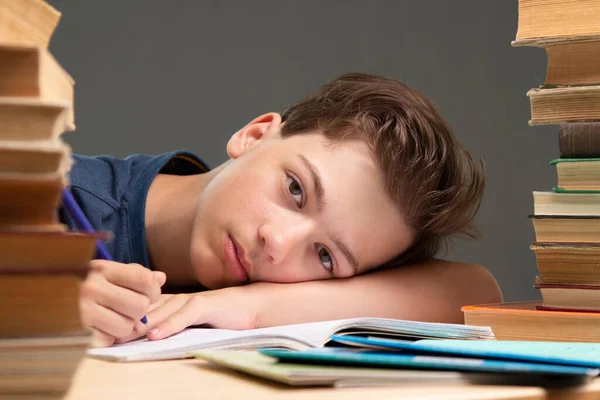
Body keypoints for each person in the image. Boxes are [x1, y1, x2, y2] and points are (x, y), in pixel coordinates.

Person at [62, 73, 502, 347]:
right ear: (254, 136)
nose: (278, 243)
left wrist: (250, 306)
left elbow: (473, 292)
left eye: (325, 256)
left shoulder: (253, 284)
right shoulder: (50, 200)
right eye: (295, 189)